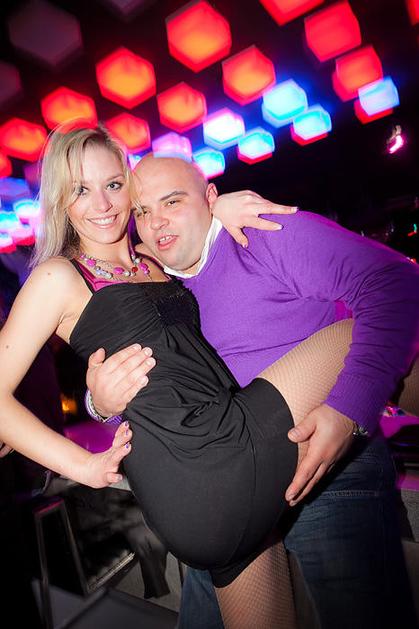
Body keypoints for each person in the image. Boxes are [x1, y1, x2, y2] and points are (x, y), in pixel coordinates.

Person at [0, 123, 370, 628]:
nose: (102, 204)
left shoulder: (150, 258)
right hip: (208, 458)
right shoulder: (58, 276)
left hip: (212, 477)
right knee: (366, 327)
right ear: (61, 201)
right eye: (81, 190)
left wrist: (216, 208)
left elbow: (187, 234)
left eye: (113, 184)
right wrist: (83, 465)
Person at [87, 153, 419, 629]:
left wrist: (349, 408)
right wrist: (100, 404)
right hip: (234, 483)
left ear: (210, 197)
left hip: (328, 469)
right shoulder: (152, 287)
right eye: (142, 210)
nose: (155, 222)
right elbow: (153, 393)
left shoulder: (265, 233)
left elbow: (396, 281)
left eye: (172, 201)